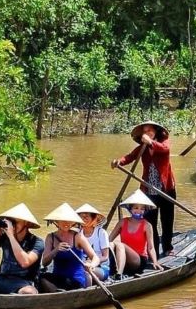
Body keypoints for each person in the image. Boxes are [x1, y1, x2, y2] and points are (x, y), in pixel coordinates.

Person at [110, 120, 177, 257]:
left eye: (150, 131)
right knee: (150, 223)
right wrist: (119, 162)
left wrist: (151, 142)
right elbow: (130, 157)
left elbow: (165, 150)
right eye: (145, 132)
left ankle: (168, 248)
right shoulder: (142, 148)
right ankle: (154, 252)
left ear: (156, 132)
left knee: (167, 221)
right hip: (149, 190)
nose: (147, 134)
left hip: (166, 189)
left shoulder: (162, 143)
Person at [109, 190, 164, 278]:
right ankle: (110, 269)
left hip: (138, 260)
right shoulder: (122, 222)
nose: (139, 211)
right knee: (111, 244)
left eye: (142, 209)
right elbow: (109, 240)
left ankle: (119, 274)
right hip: (122, 258)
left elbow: (151, 247)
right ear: (130, 209)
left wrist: (155, 261)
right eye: (136, 208)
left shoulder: (147, 225)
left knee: (120, 245)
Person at [76, 203, 110, 281]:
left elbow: (105, 256)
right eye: (81, 217)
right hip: (83, 265)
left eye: (86, 216)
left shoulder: (101, 233)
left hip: (100, 267)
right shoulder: (77, 233)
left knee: (83, 270)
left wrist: (91, 263)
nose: (83, 219)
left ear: (94, 219)